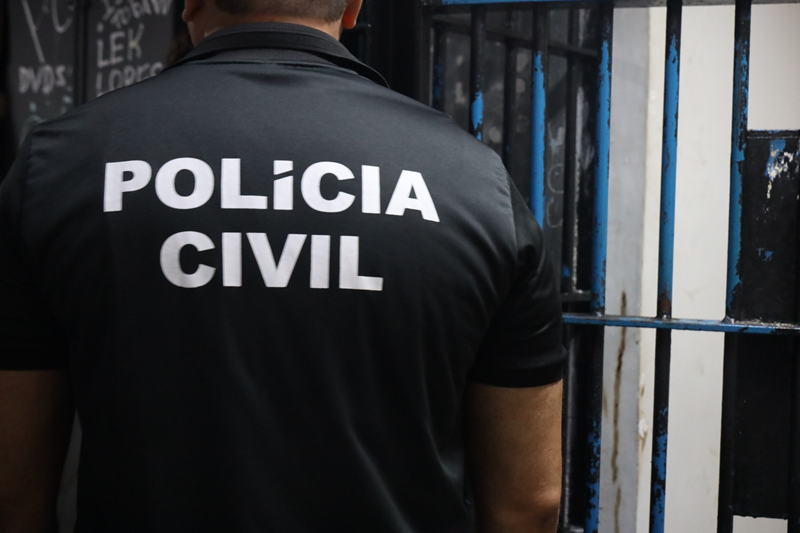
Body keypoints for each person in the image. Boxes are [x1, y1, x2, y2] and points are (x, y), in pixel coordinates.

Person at [0, 1, 565, 531]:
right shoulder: (474, 184)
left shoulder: (60, 167)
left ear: (191, 2)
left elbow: (12, 488)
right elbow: (528, 503)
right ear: (352, 7)